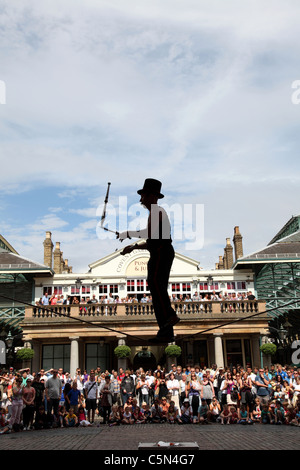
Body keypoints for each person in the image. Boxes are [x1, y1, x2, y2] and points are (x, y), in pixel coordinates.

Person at [118, 179, 179, 343]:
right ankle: (166, 329)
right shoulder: (155, 212)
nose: (140, 200)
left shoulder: (157, 211)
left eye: (143, 195)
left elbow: (149, 234)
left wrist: (128, 234)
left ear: (152, 195)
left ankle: (169, 317)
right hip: (159, 252)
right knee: (156, 286)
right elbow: (152, 240)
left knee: (156, 285)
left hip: (161, 253)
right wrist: (132, 248)